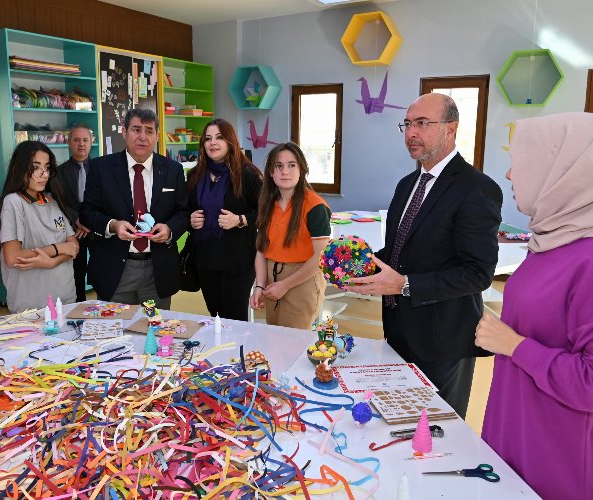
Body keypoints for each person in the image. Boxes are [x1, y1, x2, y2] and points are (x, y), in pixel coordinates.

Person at [347, 93, 502, 419]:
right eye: (407, 124)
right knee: (398, 423)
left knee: (436, 430)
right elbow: (397, 252)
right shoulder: (406, 185)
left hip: (442, 341)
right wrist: (359, 266)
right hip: (397, 332)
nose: (411, 133)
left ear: (451, 128)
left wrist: (404, 285)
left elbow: (478, 273)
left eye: (421, 123)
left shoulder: (476, 188)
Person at [477, 112, 593, 500]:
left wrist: (514, 345)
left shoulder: (588, 259)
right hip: (516, 422)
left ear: (561, 171)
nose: (509, 174)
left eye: (519, 162)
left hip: (556, 452)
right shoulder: (550, 239)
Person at [79, 108, 189, 310]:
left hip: (158, 272)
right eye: (136, 129)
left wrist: (169, 229)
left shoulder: (173, 170)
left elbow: (183, 212)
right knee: (115, 327)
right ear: (124, 132)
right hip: (115, 270)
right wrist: (113, 225)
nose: (142, 137)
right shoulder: (101, 168)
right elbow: (87, 212)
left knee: (155, 327)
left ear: (157, 135)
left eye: (149, 131)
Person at [187, 119, 262, 321]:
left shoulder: (248, 175)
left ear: (230, 142)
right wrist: (190, 219)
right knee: (215, 317)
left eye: (219, 137)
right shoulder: (195, 176)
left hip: (237, 262)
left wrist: (240, 219)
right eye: (208, 138)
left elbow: (266, 213)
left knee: (235, 319)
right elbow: (184, 210)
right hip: (205, 260)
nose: (213, 143)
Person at [250, 142, 331, 329]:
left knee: (293, 341)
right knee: (274, 336)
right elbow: (261, 250)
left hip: (302, 280)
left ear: (302, 169)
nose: (285, 171)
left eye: (291, 165)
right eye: (278, 166)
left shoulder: (315, 207)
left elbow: (321, 257)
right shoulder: (268, 203)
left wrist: (285, 285)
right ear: (271, 172)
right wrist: (260, 285)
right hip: (272, 279)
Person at [0, 141, 79, 313]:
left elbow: (74, 247)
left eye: (47, 168)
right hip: (32, 306)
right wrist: (58, 249)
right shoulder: (13, 202)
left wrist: (51, 262)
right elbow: (13, 257)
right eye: (36, 167)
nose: (43, 174)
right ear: (19, 169)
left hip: (66, 298)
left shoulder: (52, 201)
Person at [59, 124, 94, 302]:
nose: (81, 144)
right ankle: (78, 306)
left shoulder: (101, 169)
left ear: (91, 143)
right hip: (73, 229)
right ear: (69, 142)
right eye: (77, 140)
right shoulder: (59, 172)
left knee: (100, 270)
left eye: (85, 140)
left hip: (95, 228)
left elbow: (106, 199)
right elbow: (58, 201)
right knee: (76, 272)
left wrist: (89, 221)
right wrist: (76, 219)